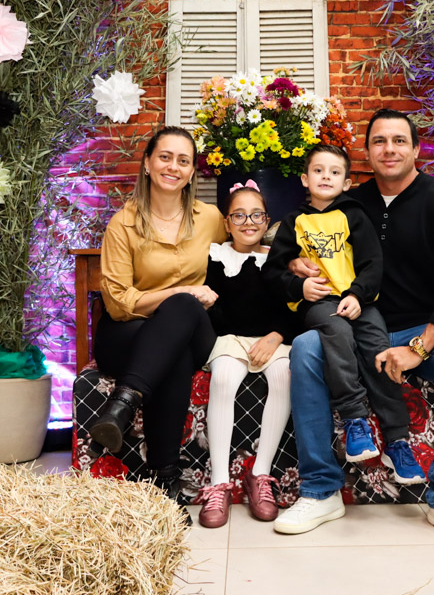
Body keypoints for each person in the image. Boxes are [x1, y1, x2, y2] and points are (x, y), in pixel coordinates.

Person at [272, 111, 434, 545]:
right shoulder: (346, 203)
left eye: (399, 140)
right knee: (306, 349)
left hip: (423, 328)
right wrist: (296, 263)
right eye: (379, 141)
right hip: (353, 326)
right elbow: (301, 243)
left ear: (416, 149)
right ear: (367, 152)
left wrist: (420, 346)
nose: (389, 149)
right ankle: (320, 490)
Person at [264, 145, 426, 510]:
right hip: (319, 304)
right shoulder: (293, 222)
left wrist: (357, 294)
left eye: (334, 172)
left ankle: (397, 441)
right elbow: (272, 272)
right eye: (318, 170)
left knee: (379, 350)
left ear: (347, 183)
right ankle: (355, 420)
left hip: (359, 301)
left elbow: (373, 264)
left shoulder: (354, 215)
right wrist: (300, 286)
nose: (326, 177)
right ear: (305, 179)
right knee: (336, 333)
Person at [90, 126, 227, 525]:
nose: (173, 166)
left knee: (183, 311)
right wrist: (180, 291)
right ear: (148, 164)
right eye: (165, 157)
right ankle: (165, 482)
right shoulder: (124, 224)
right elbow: (118, 304)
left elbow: (243, 252)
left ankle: (123, 404)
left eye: (183, 160)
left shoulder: (210, 219)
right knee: (174, 349)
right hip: (128, 333)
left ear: (192, 171)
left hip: (194, 328)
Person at [197, 181, 296, 528]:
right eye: (238, 215)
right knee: (224, 378)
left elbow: (292, 307)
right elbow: (219, 315)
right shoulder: (215, 257)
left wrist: (276, 336)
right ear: (227, 223)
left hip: (272, 339)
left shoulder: (278, 259)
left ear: (266, 220)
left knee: (284, 376)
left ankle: (260, 474)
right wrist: (208, 304)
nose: (248, 222)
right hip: (231, 339)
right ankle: (219, 482)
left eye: (256, 215)